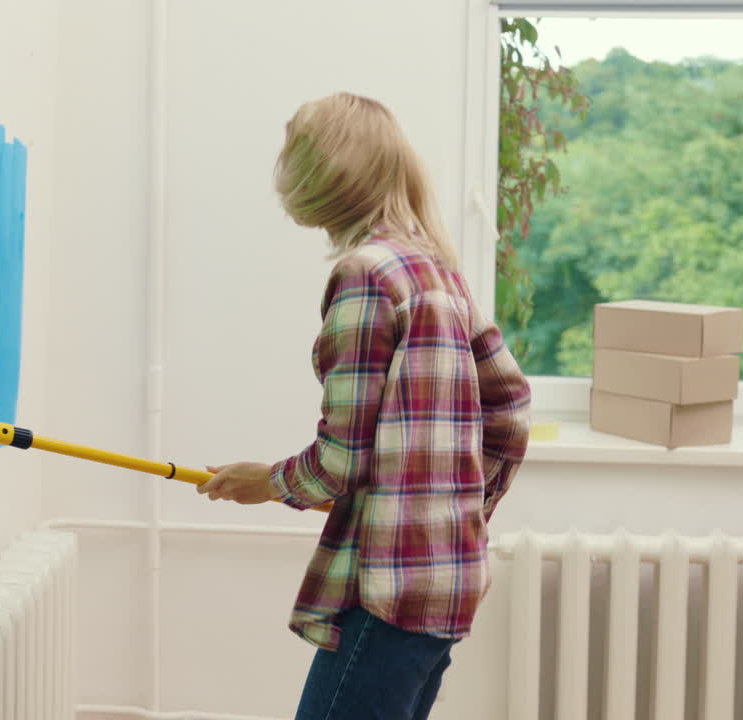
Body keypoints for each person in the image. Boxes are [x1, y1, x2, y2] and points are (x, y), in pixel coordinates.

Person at [197, 92, 532, 720]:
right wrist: (449, 503)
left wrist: (263, 483)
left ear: (320, 173)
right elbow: (510, 408)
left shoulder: (366, 275)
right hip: (448, 577)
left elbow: (340, 460)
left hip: (390, 590)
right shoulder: (437, 270)